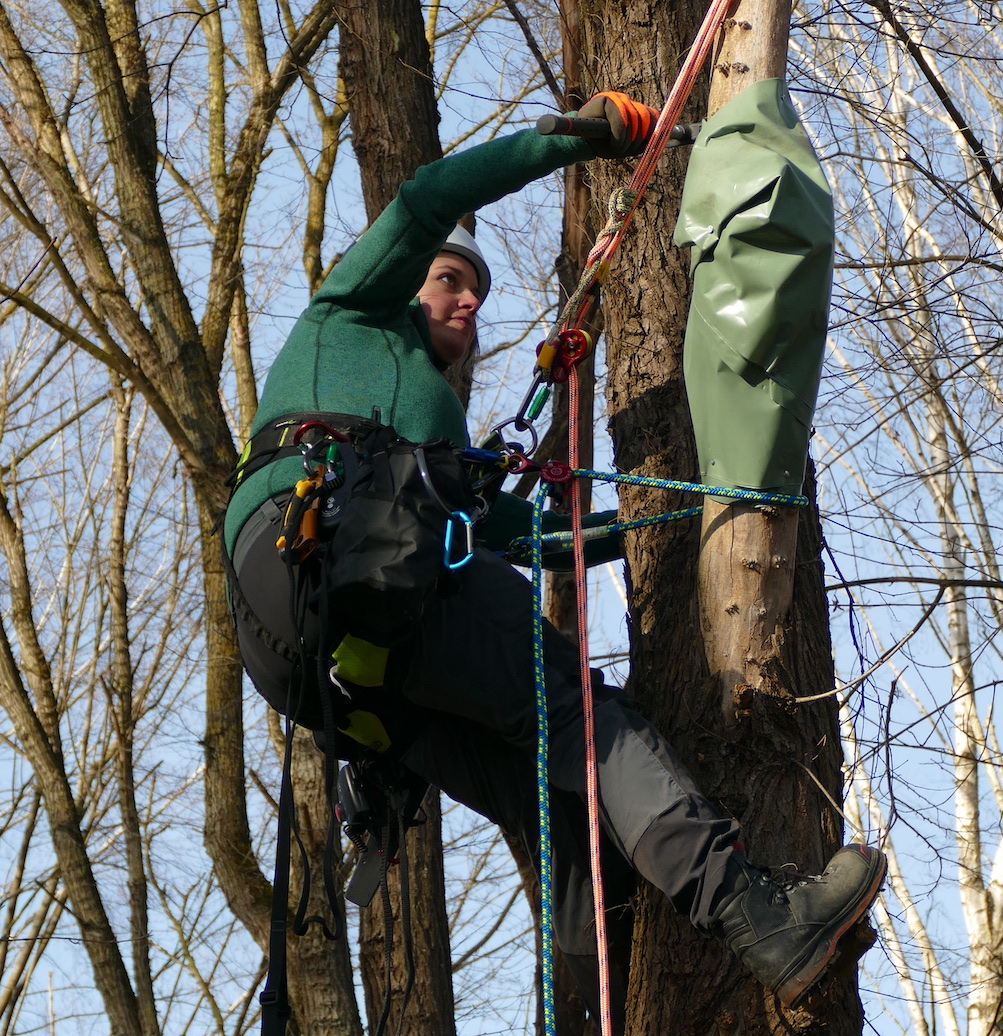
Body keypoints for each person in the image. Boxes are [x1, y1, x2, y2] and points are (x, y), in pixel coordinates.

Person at [223, 92, 887, 1027]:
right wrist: (575, 138)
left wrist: (665, 517)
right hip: (329, 552)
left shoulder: (429, 455)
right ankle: (758, 917)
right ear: (406, 283)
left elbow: (523, 543)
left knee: (549, 794)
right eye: (451, 281)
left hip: (324, 659)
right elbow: (425, 198)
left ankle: (581, 1014)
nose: (467, 298)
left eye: (479, 294)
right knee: (582, 715)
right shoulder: (350, 315)